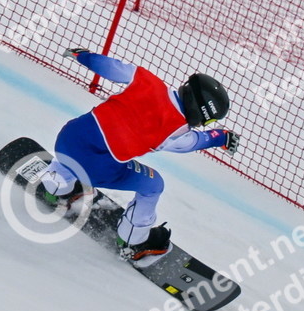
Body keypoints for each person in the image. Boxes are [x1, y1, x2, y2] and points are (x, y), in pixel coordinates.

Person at [36, 50, 239, 263]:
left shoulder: (149, 81)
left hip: (66, 139)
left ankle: (55, 189)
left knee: (81, 142)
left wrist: (83, 57)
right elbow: (196, 141)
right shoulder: (177, 131)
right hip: (96, 168)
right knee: (153, 185)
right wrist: (221, 137)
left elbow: (111, 67)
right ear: (201, 112)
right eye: (208, 121)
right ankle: (133, 242)